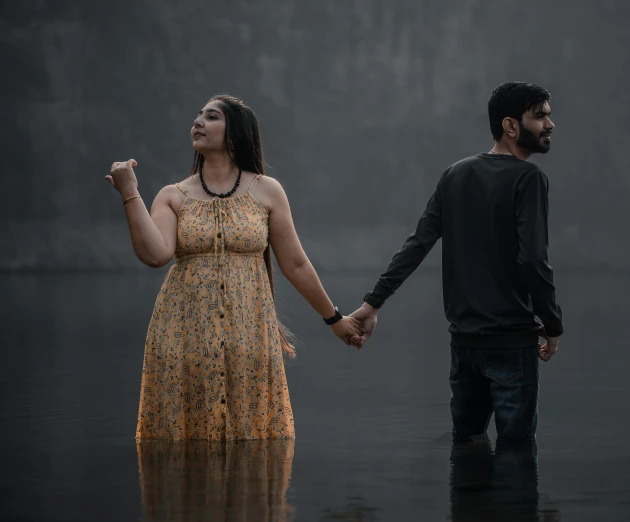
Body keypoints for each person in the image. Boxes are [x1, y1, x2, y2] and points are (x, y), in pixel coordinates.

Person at [105, 94, 365, 440]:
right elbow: (155, 254)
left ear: (235, 134)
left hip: (250, 337)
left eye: (211, 117)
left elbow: (297, 264)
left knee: (252, 440)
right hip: (182, 339)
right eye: (197, 116)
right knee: (183, 440)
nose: (197, 121)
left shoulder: (267, 191)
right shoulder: (173, 196)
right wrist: (130, 193)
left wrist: (335, 319)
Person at [350, 82, 564, 441]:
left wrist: (372, 303)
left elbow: (418, 244)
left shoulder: (456, 174)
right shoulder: (529, 179)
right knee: (516, 458)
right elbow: (532, 260)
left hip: (464, 346)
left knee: (466, 451)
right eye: (540, 115)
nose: (550, 124)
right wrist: (553, 325)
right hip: (511, 344)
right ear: (511, 126)